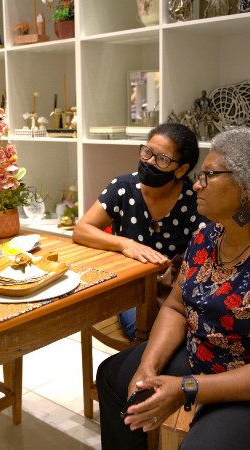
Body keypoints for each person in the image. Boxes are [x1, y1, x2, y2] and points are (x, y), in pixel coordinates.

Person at [96, 127, 250, 450]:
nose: (196, 184)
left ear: (247, 187)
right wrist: (147, 368)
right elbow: (177, 307)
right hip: (207, 354)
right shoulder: (207, 237)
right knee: (114, 378)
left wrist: (187, 388)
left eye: (208, 176)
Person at [73, 123, 203, 340]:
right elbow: (82, 230)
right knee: (145, 329)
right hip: (130, 289)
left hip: (176, 292)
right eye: (147, 152)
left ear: (181, 169)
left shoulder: (194, 201)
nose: (149, 161)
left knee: (182, 332)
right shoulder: (123, 187)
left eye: (161, 159)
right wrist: (125, 244)